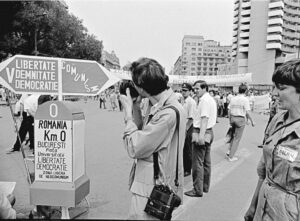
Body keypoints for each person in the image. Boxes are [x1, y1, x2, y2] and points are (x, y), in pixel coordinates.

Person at [119, 57, 186, 219]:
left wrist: (128, 114)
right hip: (153, 185)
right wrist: (135, 105)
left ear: (141, 87)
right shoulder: (161, 105)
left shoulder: (167, 114)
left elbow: (135, 147)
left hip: (152, 190)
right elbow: (144, 132)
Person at [244, 59, 300, 221]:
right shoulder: (278, 119)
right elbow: (264, 173)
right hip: (264, 207)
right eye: (274, 87)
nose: (274, 93)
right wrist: (253, 206)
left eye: (281, 88)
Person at [184, 80, 217, 197]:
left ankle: (197, 189)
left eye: (197, 89)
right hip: (208, 131)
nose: (195, 91)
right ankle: (204, 187)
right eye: (194, 89)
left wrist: (201, 136)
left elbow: (204, 119)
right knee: (206, 162)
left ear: (204, 88)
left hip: (202, 131)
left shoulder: (204, 101)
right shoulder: (209, 99)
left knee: (197, 163)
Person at [227, 84, 255, 162]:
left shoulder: (233, 98)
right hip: (240, 119)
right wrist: (252, 121)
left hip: (232, 118)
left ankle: (229, 150)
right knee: (237, 139)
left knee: (232, 136)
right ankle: (231, 156)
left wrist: (230, 119)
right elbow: (248, 112)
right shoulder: (245, 99)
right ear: (246, 91)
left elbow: (229, 110)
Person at [181, 83, 196, 177]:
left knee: (187, 149)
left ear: (190, 91)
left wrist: (186, 129)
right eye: (182, 90)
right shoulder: (183, 100)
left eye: (185, 90)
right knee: (182, 148)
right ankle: (183, 167)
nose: (183, 92)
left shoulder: (191, 102)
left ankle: (188, 169)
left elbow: (191, 118)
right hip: (182, 126)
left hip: (188, 127)